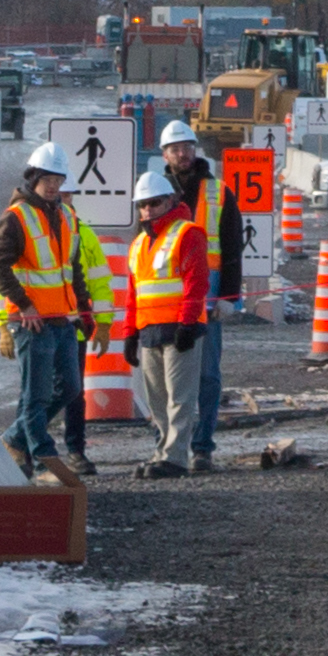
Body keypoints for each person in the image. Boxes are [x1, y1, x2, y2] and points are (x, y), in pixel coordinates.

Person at [0, 143, 114, 479]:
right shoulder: (16, 217)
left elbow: (72, 269)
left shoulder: (66, 216)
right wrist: (24, 307)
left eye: (58, 179)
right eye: (46, 178)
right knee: (36, 394)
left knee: (70, 388)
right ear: (32, 177)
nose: (52, 185)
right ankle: (42, 454)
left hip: (63, 319)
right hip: (32, 323)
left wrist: (86, 314)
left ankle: (15, 438)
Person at [155, 118, 242, 464]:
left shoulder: (218, 192)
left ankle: (202, 447)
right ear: (165, 154)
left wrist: (229, 298)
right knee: (165, 377)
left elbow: (234, 249)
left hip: (209, 288)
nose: (182, 153)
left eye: (187, 147)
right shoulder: (154, 192)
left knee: (207, 373)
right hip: (164, 292)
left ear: (195, 149)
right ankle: (167, 445)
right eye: (176, 149)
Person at [123, 167, 213, 476]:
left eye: (155, 203)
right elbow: (134, 293)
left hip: (179, 329)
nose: (148, 210)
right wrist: (130, 334)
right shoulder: (138, 245)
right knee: (158, 400)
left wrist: (187, 324)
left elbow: (196, 282)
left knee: (180, 398)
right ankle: (163, 453)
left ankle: (174, 459)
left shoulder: (187, 233)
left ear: (170, 201)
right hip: (149, 331)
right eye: (143, 205)